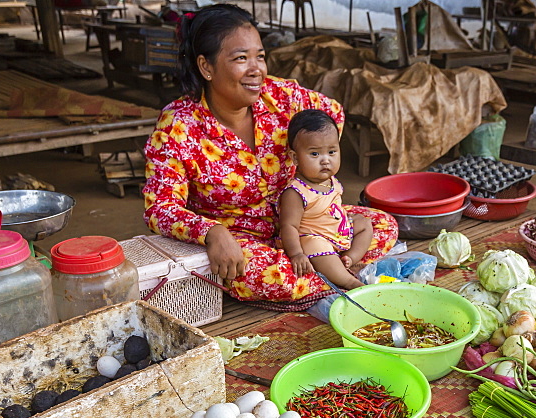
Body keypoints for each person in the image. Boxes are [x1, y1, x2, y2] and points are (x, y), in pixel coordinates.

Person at [143, 4, 398, 304]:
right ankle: (339, 273)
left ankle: (329, 272)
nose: (257, 70)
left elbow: (333, 115)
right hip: (243, 242)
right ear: (206, 67)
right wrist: (212, 232)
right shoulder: (178, 125)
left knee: (382, 224)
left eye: (260, 57)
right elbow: (159, 208)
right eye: (241, 58)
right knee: (268, 275)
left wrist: (312, 165)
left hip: (305, 227)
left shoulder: (280, 96)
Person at [279, 109, 372, 291]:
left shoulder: (330, 180)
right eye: (315, 154)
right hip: (316, 238)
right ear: (295, 158)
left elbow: (332, 206)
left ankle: (350, 258)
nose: (325, 161)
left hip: (337, 231)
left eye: (331, 152)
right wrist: (297, 254)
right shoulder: (296, 192)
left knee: (365, 223)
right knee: (314, 246)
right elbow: (288, 226)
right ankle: (349, 282)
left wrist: (345, 219)